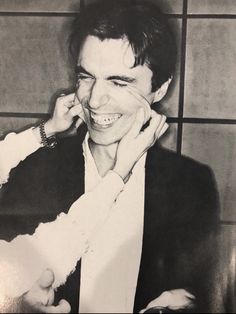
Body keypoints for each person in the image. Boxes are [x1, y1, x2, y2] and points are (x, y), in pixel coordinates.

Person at [0, 0, 220, 313]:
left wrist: (191, 304)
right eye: (86, 77)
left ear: (159, 89)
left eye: (119, 82)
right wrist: (19, 307)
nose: (94, 99)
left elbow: (205, 292)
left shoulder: (191, 184)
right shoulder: (33, 170)